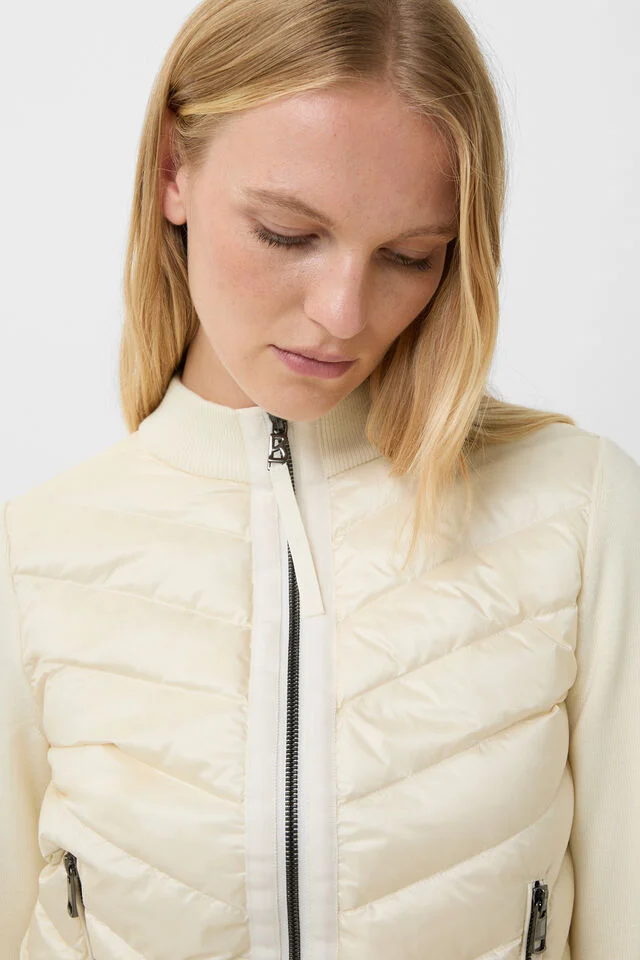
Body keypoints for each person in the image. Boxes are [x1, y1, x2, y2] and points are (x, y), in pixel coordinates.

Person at [1, 0, 639, 957]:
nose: (344, 313)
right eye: (287, 234)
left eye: (410, 256)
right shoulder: (30, 562)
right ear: (173, 170)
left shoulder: (582, 519)